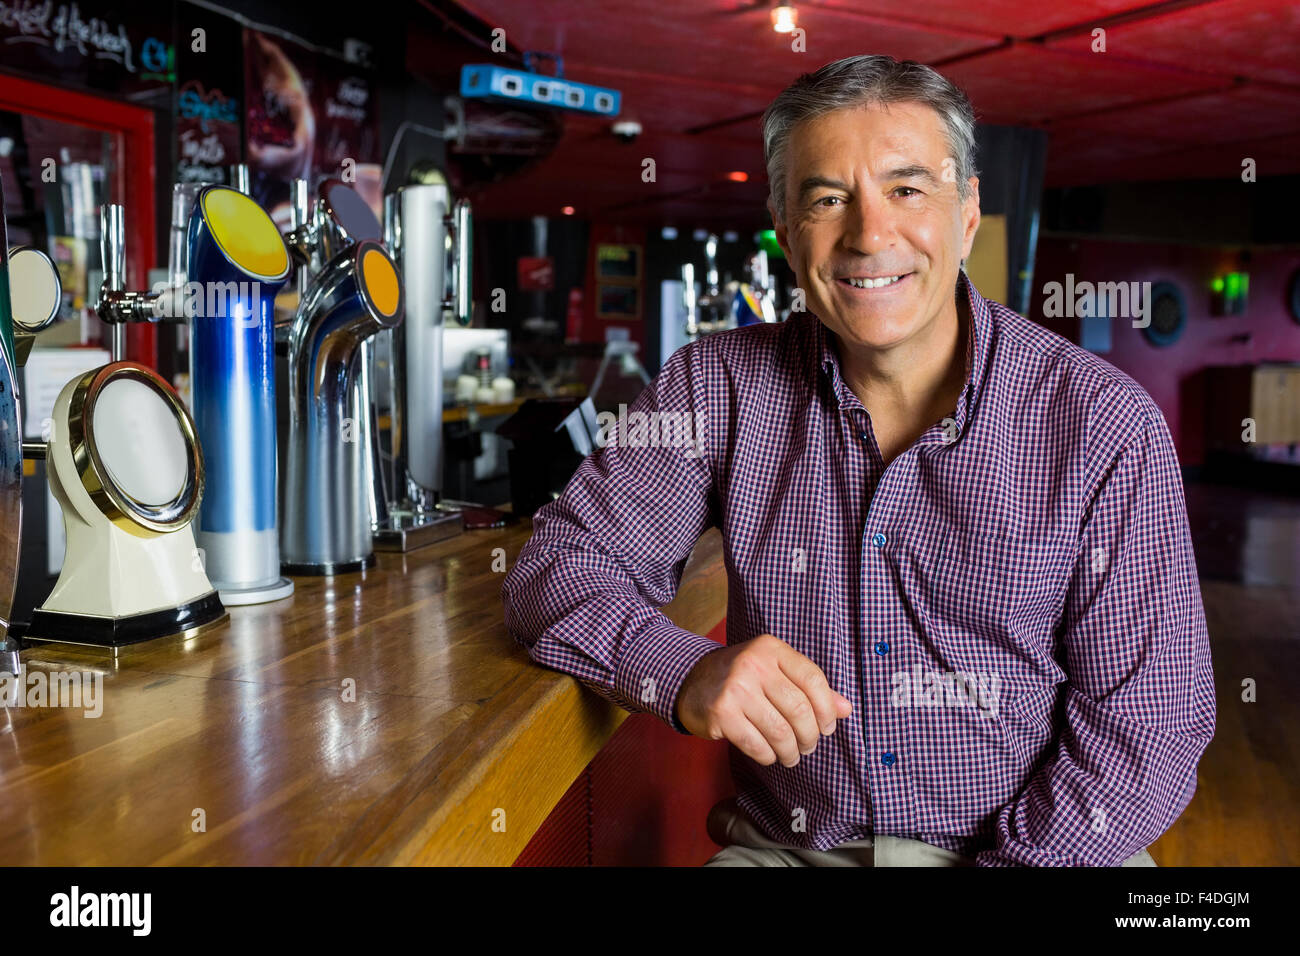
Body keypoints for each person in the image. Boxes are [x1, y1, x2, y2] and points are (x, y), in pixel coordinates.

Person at [501, 54, 1215, 867]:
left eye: (907, 189)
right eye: (828, 198)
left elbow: (1150, 729)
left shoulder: (1103, 424)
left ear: (969, 212)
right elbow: (556, 566)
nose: (870, 234)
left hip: (1041, 853)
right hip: (792, 850)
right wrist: (679, 671)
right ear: (783, 221)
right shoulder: (715, 385)